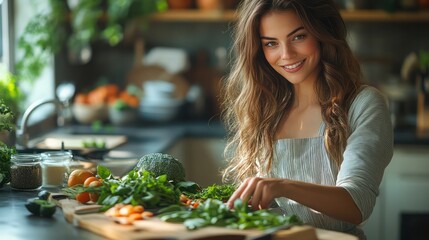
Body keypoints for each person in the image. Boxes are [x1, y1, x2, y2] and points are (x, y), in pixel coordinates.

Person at [221, 0, 393, 239]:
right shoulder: (264, 108)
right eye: (271, 43)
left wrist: (281, 186)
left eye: (298, 37)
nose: (286, 54)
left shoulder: (362, 104)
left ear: (323, 33)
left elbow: (357, 204)